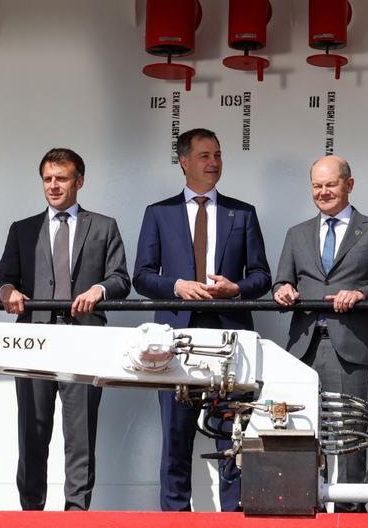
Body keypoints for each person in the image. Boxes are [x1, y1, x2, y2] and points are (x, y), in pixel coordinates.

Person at [133, 128, 271, 512]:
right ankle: (175, 517)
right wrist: (176, 285)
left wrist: (235, 289)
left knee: (232, 436)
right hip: (175, 339)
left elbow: (262, 277)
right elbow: (141, 276)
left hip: (230, 338)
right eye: (205, 155)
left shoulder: (242, 213)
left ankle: (234, 516)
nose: (214, 163)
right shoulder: (158, 213)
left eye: (218, 155)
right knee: (175, 437)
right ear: (184, 161)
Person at [0, 148, 130, 511]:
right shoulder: (22, 229)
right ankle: (31, 512)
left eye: (62, 178)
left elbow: (120, 279)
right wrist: (9, 292)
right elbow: (2, 281)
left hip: (84, 340)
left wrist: (98, 290)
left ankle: (76, 513)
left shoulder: (104, 225)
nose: (53, 186)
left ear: (79, 181)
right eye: (48, 179)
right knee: (32, 434)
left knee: (81, 436)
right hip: (33, 342)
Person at [273, 155, 368, 511]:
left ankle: (350, 514)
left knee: (350, 438)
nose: (323, 192)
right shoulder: (296, 233)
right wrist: (282, 289)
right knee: (299, 433)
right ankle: (300, 508)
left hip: (349, 346)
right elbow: (282, 279)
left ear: (349, 184)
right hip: (302, 347)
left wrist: (362, 293)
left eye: (330, 184)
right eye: (316, 185)